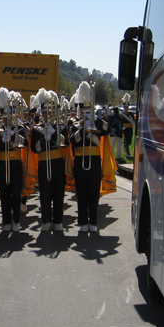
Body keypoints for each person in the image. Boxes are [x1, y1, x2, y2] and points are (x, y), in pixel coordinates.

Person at [69, 82, 108, 233]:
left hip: (95, 161)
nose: (85, 113)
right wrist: (83, 129)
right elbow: (72, 140)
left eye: (88, 111)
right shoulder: (75, 125)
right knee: (82, 192)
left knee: (94, 192)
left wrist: (95, 119)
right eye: (83, 111)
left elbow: (107, 129)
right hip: (80, 161)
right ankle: (82, 222)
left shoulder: (97, 123)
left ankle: (93, 222)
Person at [30, 89, 68, 232]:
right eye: (46, 113)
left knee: (59, 192)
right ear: (42, 114)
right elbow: (34, 148)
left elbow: (66, 143)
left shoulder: (61, 127)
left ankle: (58, 221)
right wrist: (43, 138)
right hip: (44, 163)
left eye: (51, 112)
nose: (48, 115)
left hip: (58, 163)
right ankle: (46, 221)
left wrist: (54, 134)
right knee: (44, 193)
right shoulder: (36, 129)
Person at [0, 88, 27, 231]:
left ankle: (16, 220)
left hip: (16, 164)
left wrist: (14, 136)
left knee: (16, 193)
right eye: (4, 116)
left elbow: (25, 144)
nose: (7, 119)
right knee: (4, 193)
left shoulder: (20, 128)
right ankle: (6, 221)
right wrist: (3, 141)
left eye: (9, 116)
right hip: (2, 164)